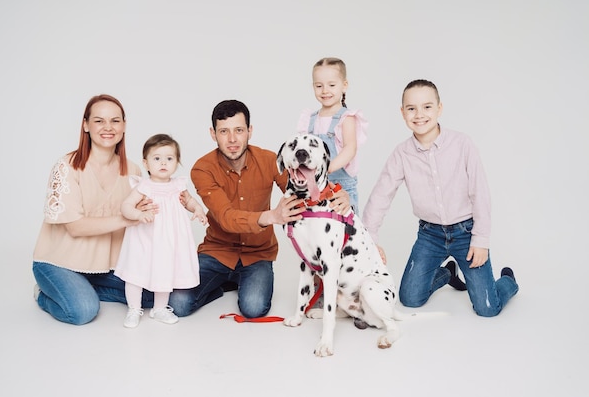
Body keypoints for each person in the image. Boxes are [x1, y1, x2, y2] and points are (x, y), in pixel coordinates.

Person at [168, 99, 351, 319]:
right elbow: (226, 218)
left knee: (253, 309)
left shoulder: (269, 160)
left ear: (250, 131)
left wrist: (336, 193)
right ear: (213, 133)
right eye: (224, 131)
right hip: (217, 252)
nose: (232, 139)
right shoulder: (202, 168)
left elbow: (300, 189)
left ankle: (234, 282)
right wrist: (272, 216)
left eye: (239, 130)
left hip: (257, 254)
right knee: (178, 305)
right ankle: (220, 285)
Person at [362, 79, 519, 317]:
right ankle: (447, 274)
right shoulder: (401, 154)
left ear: (439, 108)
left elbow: (480, 193)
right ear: (402, 112)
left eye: (427, 107)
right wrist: (370, 237)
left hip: (466, 234)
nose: (419, 115)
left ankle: (507, 282)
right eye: (411, 108)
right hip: (430, 235)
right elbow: (381, 195)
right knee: (410, 299)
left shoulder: (462, 144)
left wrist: (481, 240)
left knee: (488, 308)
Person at [32, 94, 157, 325]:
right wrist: (128, 218)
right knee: (83, 310)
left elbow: (143, 221)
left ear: (124, 126)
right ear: (86, 125)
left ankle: (86, 287)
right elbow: (76, 227)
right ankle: (43, 294)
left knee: (151, 294)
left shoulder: (133, 171)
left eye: (115, 121)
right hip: (59, 262)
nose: (108, 127)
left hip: (106, 266)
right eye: (99, 121)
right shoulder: (67, 166)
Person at [115, 134, 208, 328]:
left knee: (166, 269)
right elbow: (126, 206)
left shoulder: (178, 185)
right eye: (157, 158)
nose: (163, 163)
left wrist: (198, 209)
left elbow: (189, 201)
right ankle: (133, 308)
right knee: (136, 271)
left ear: (177, 162)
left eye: (169, 158)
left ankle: (159, 308)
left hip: (169, 239)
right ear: (146, 163)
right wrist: (139, 215)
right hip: (145, 237)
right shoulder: (144, 186)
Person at [297, 57, 368, 214]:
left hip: (340, 187)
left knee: (344, 232)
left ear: (344, 86)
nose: (325, 90)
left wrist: (327, 168)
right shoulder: (310, 119)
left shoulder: (346, 118)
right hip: (314, 186)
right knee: (314, 230)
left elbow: (350, 149)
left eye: (331, 85)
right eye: (319, 86)